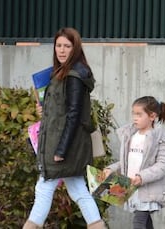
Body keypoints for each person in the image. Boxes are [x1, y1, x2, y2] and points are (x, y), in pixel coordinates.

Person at [23, 27, 105, 229]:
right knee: (78, 189)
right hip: (66, 144)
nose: (61, 50)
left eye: (67, 46)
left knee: (44, 189)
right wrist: (46, 110)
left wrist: (61, 150)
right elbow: (63, 111)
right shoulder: (63, 73)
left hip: (64, 145)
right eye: (58, 45)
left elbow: (74, 115)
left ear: (75, 48)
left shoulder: (73, 76)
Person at [103, 96, 165, 229]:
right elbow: (125, 162)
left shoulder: (159, 139)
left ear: (152, 116)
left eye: (139, 114)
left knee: (139, 222)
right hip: (132, 188)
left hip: (148, 190)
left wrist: (142, 177)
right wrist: (112, 169)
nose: (134, 117)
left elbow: (162, 166)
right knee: (145, 222)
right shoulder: (130, 136)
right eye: (133, 113)